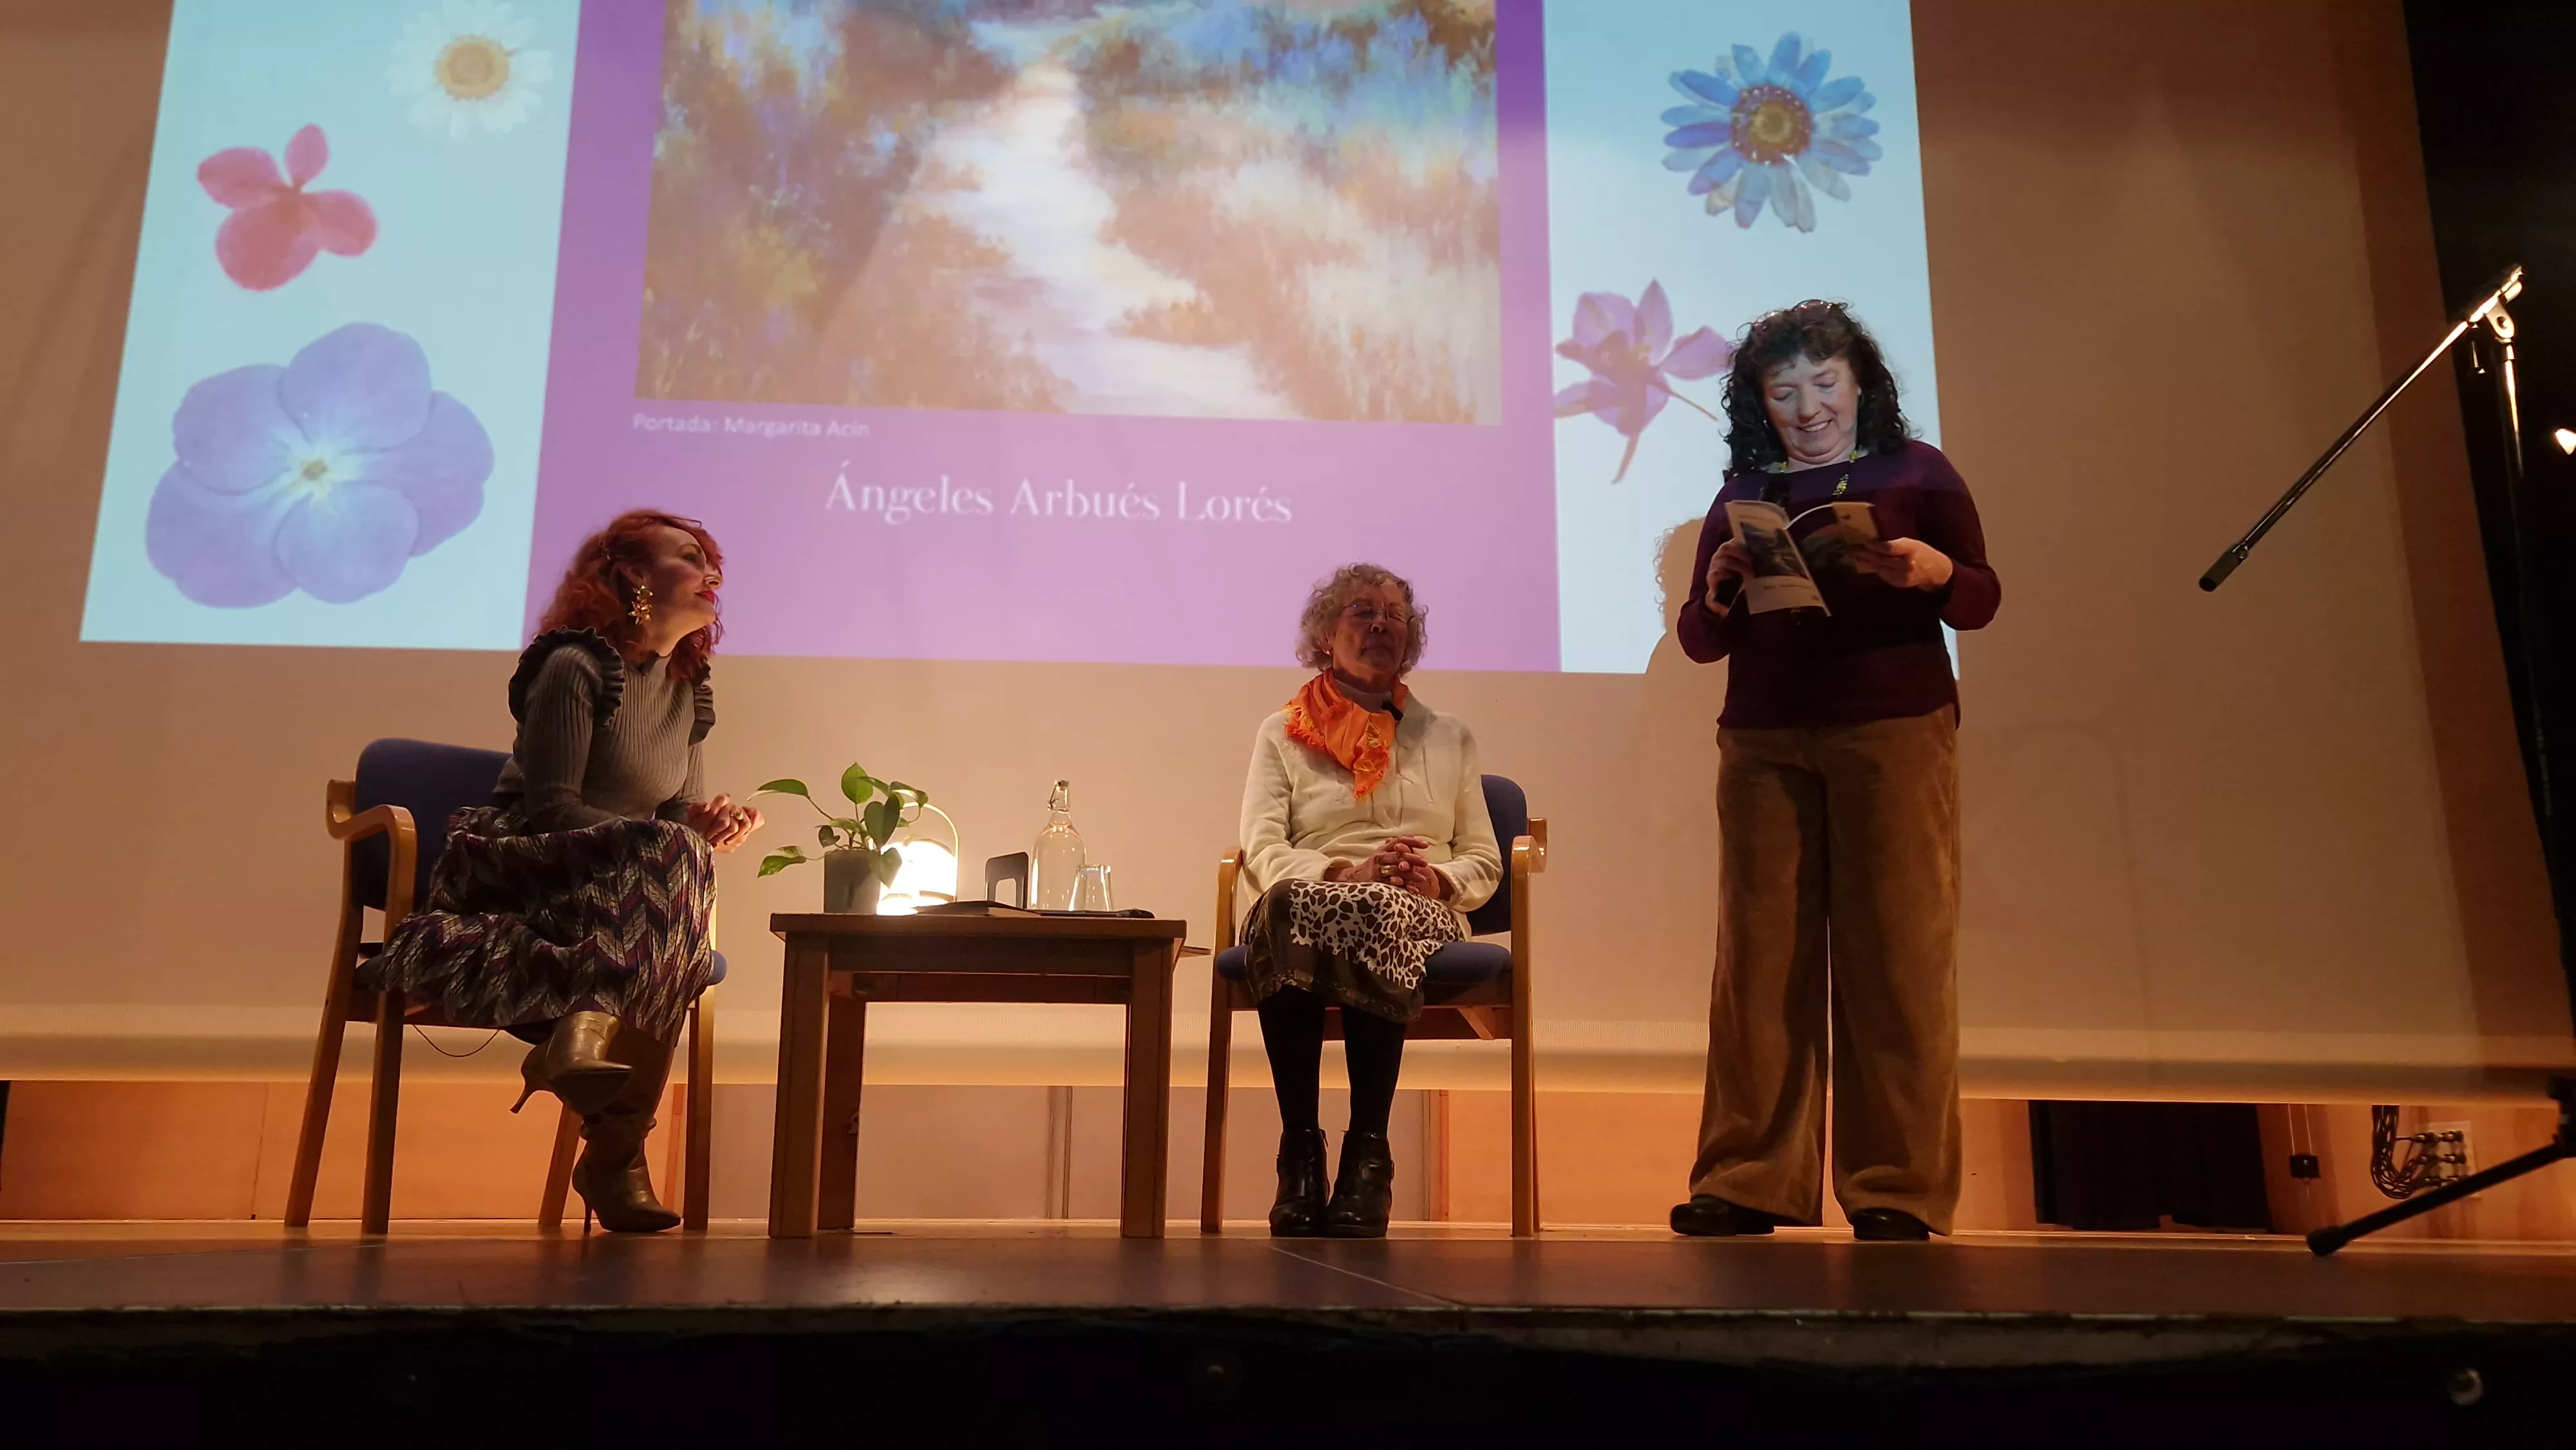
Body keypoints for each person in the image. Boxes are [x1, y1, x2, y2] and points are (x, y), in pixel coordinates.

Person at [1669, 301, 2000, 1242]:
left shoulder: (1918, 471)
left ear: (1861, 385)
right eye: (1785, 391)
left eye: (1824, 384)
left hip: (1893, 729)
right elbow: (1698, 638)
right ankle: (1747, 1179)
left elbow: (1981, 598)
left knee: (1896, 955)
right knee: (1758, 963)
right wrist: (1720, 592)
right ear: (1759, 401)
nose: (1808, 407)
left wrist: (1936, 572)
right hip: (1764, 737)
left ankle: (1896, 1185)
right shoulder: (1745, 490)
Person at [374, 509, 764, 1232]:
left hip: (623, 889)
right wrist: (667, 839)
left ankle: (586, 1048)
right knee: (674, 886)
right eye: (689, 557)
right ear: (632, 575)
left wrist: (707, 827)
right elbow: (552, 807)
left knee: (684, 862)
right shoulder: (576, 665)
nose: (712, 573)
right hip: (527, 867)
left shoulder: (687, 688)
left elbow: (670, 818)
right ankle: (614, 1153)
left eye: (712, 560)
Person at [1236, 564, 1501, 1238]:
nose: (1381, 624)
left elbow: (1484, 858)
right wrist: (1345, 872)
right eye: (1362, 611)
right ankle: (1300, 1152)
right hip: (1313, 893)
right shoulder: (1281, 731)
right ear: (1327, 634)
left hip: (1416, 905)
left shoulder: (1448, 735)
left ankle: (1368, 1155)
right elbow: (1261, 848)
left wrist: (1437, 880)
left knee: (1377, 909)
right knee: (1289, 904)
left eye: (1394, 615)